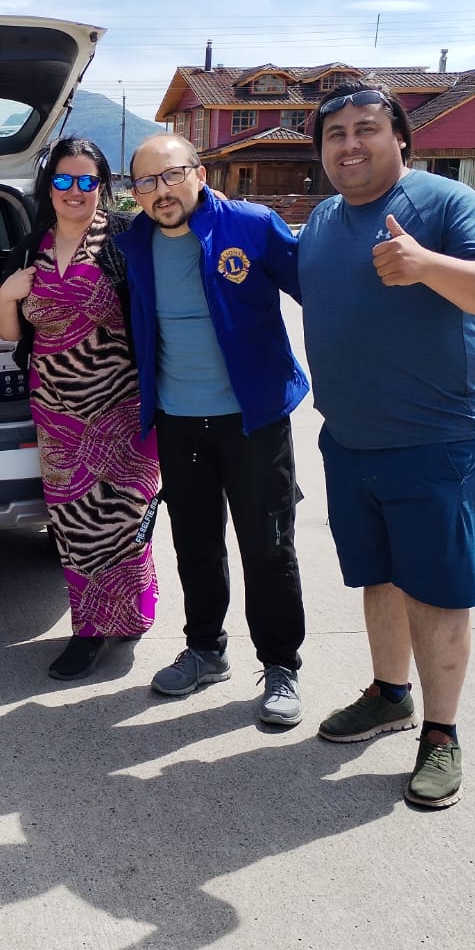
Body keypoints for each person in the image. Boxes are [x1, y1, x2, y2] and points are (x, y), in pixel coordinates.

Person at [300, 82, 475, 809]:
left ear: (400, 138)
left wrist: (426, 265)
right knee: (380, 578)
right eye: (335, 134)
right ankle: (389, 694)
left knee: (437, 592)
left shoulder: (446, 204)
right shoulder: (323, 220)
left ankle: (441, 732)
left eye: (366, 128)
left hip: (436, 443)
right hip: (350, 442)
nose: (350, 144)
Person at [114, 134, 311, 725]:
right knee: (195, 546)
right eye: (145, 182)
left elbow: (318, 292)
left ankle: (281, 665)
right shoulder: (133, 243)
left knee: (268, 548)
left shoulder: (252, 226)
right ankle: (205, 650)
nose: (160, 191)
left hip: (254, 420)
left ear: (199, 173)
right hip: (178, 421)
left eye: (171, 175)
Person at [0, 136, 160, 680]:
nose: (75, 190)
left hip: (124, 409)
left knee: (125, 519)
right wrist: (7, 295)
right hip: (58, 413)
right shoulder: (29, 249)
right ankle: (88, 632)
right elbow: (7, 333)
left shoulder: (128, 240)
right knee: (75, 526)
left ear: (102, 187)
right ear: (49, 187)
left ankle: (130, 615)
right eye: (63, 179)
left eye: (88, 180)